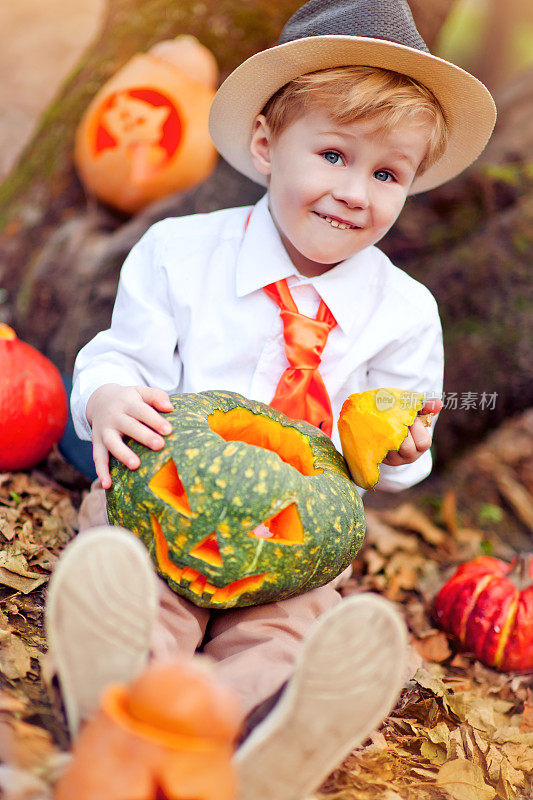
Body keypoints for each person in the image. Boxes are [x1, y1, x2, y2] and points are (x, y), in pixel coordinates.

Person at [46, 1, 496, 797]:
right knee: (132, 587)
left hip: (293, 537)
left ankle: (245, 733)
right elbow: (123, 354)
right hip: (165, 498)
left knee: (280, 636)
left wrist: (399, 451)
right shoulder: (180, 254)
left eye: (386, 174)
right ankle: (117, 694)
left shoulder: (403, 313)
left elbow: (394, 457)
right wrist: (111, 395)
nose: (353, 192)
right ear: (264, 145)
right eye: (331, 154)